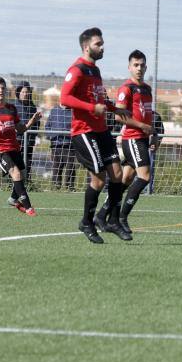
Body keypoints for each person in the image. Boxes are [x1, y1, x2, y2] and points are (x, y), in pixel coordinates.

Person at [60, 27, 132, 243]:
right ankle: (87, 221)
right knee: (99, 179)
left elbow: (99, 100)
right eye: (98, 44)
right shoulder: (77, 69)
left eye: (102, 43)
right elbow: (64, 98)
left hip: (102, 131)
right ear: (86, 46)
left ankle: (110, 220)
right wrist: (91, 108)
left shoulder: (95, 71)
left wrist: (114, 108)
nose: (102, 47)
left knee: (118, 175)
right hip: (84, 132)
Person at [95, 50, 154, 234]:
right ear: (129, 67)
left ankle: (102, 214)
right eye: (136, 65)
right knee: (144, 176)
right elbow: (119, 116)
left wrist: (153, 132)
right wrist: (142, 126)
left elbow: (148, 115)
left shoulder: (147, 89)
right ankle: (121, 218)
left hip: (143, 138)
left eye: (142, 65)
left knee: (125, 180)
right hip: (132, 139)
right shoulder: (126, 88)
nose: (139, 68)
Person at [0, 77, 41, 216]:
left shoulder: (11, 109)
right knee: (16, 173)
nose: (1, 91)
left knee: (22, 175)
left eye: (3, 88)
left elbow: (21, 129)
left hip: (14, 147)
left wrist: (32, 120)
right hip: (0, 150)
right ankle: (29, 208)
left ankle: (13, 199)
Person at [45, 105, 75, 190]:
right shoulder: (54, 110)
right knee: (56, 166)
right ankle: (56, 186)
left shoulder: (73, 111)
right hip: (55, 144)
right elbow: (47, 126)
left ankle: (69, 187)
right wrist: (50, 136)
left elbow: (76, 126)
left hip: (69, 144)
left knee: (70, 166)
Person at [14, 81, 40, 180]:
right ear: (19, 93)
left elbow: (37, 123)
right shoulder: (14, 107)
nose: (25, 94)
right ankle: (12, 184)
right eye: (23, 92)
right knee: (15, 164)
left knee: (27, 163)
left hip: (29, 141)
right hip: (17, 141)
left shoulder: (32, 107)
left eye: (27, 92)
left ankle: (27, 182)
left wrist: (33, 137)